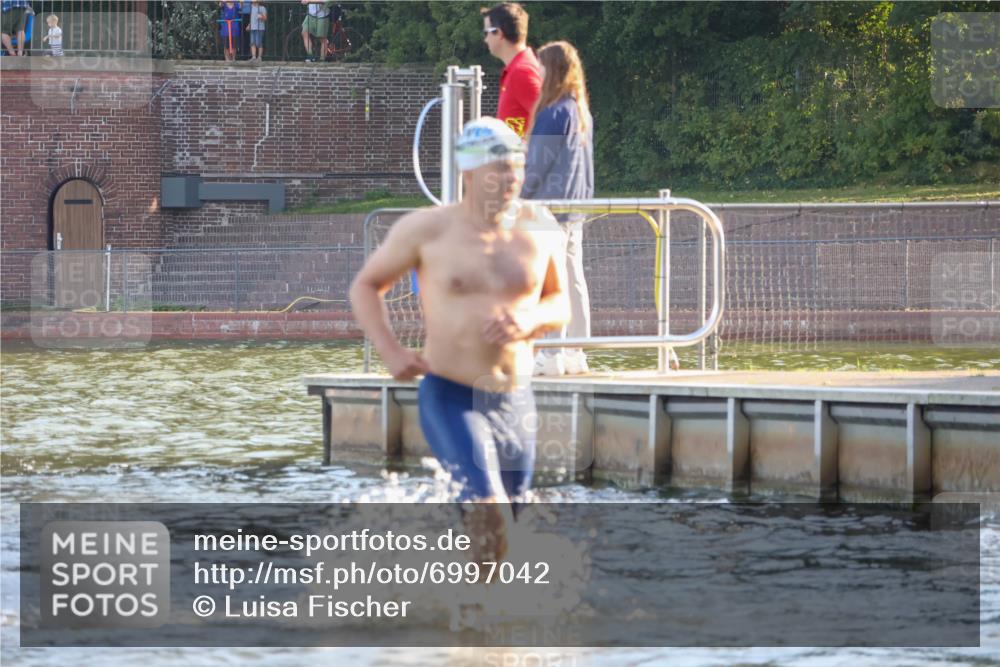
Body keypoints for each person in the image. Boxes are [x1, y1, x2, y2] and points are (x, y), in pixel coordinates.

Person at [350, 117, 569, 560]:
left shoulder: (540, 227)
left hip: (514, 398)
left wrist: (528, 321)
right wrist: (390, 351)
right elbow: (365, 286)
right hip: (451, 395)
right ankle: (475, 623)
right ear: (468, 174)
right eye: (499, 169)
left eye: (516, 167)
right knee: (488, 513)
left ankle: (472, 616)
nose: (511, 179)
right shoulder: (427, 230)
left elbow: (559, 302)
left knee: (509, 528)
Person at [521, 41, 594, 376]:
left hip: (550, 207)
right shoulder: (580, 110)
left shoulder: (553, 112)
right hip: (575, 205)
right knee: (573, 278)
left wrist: (517, 195)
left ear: (551, 70)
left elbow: (537, 163)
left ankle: (551, 352)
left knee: (550, 281)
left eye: (540, 66)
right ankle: (575, 351)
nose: (536, 72)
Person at [481, 2, 541, 139]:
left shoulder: (521, 72)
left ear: (499, 33)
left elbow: (551, 119)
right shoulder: (518, 69)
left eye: (487, 33)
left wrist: (525, 150)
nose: (485, 40)